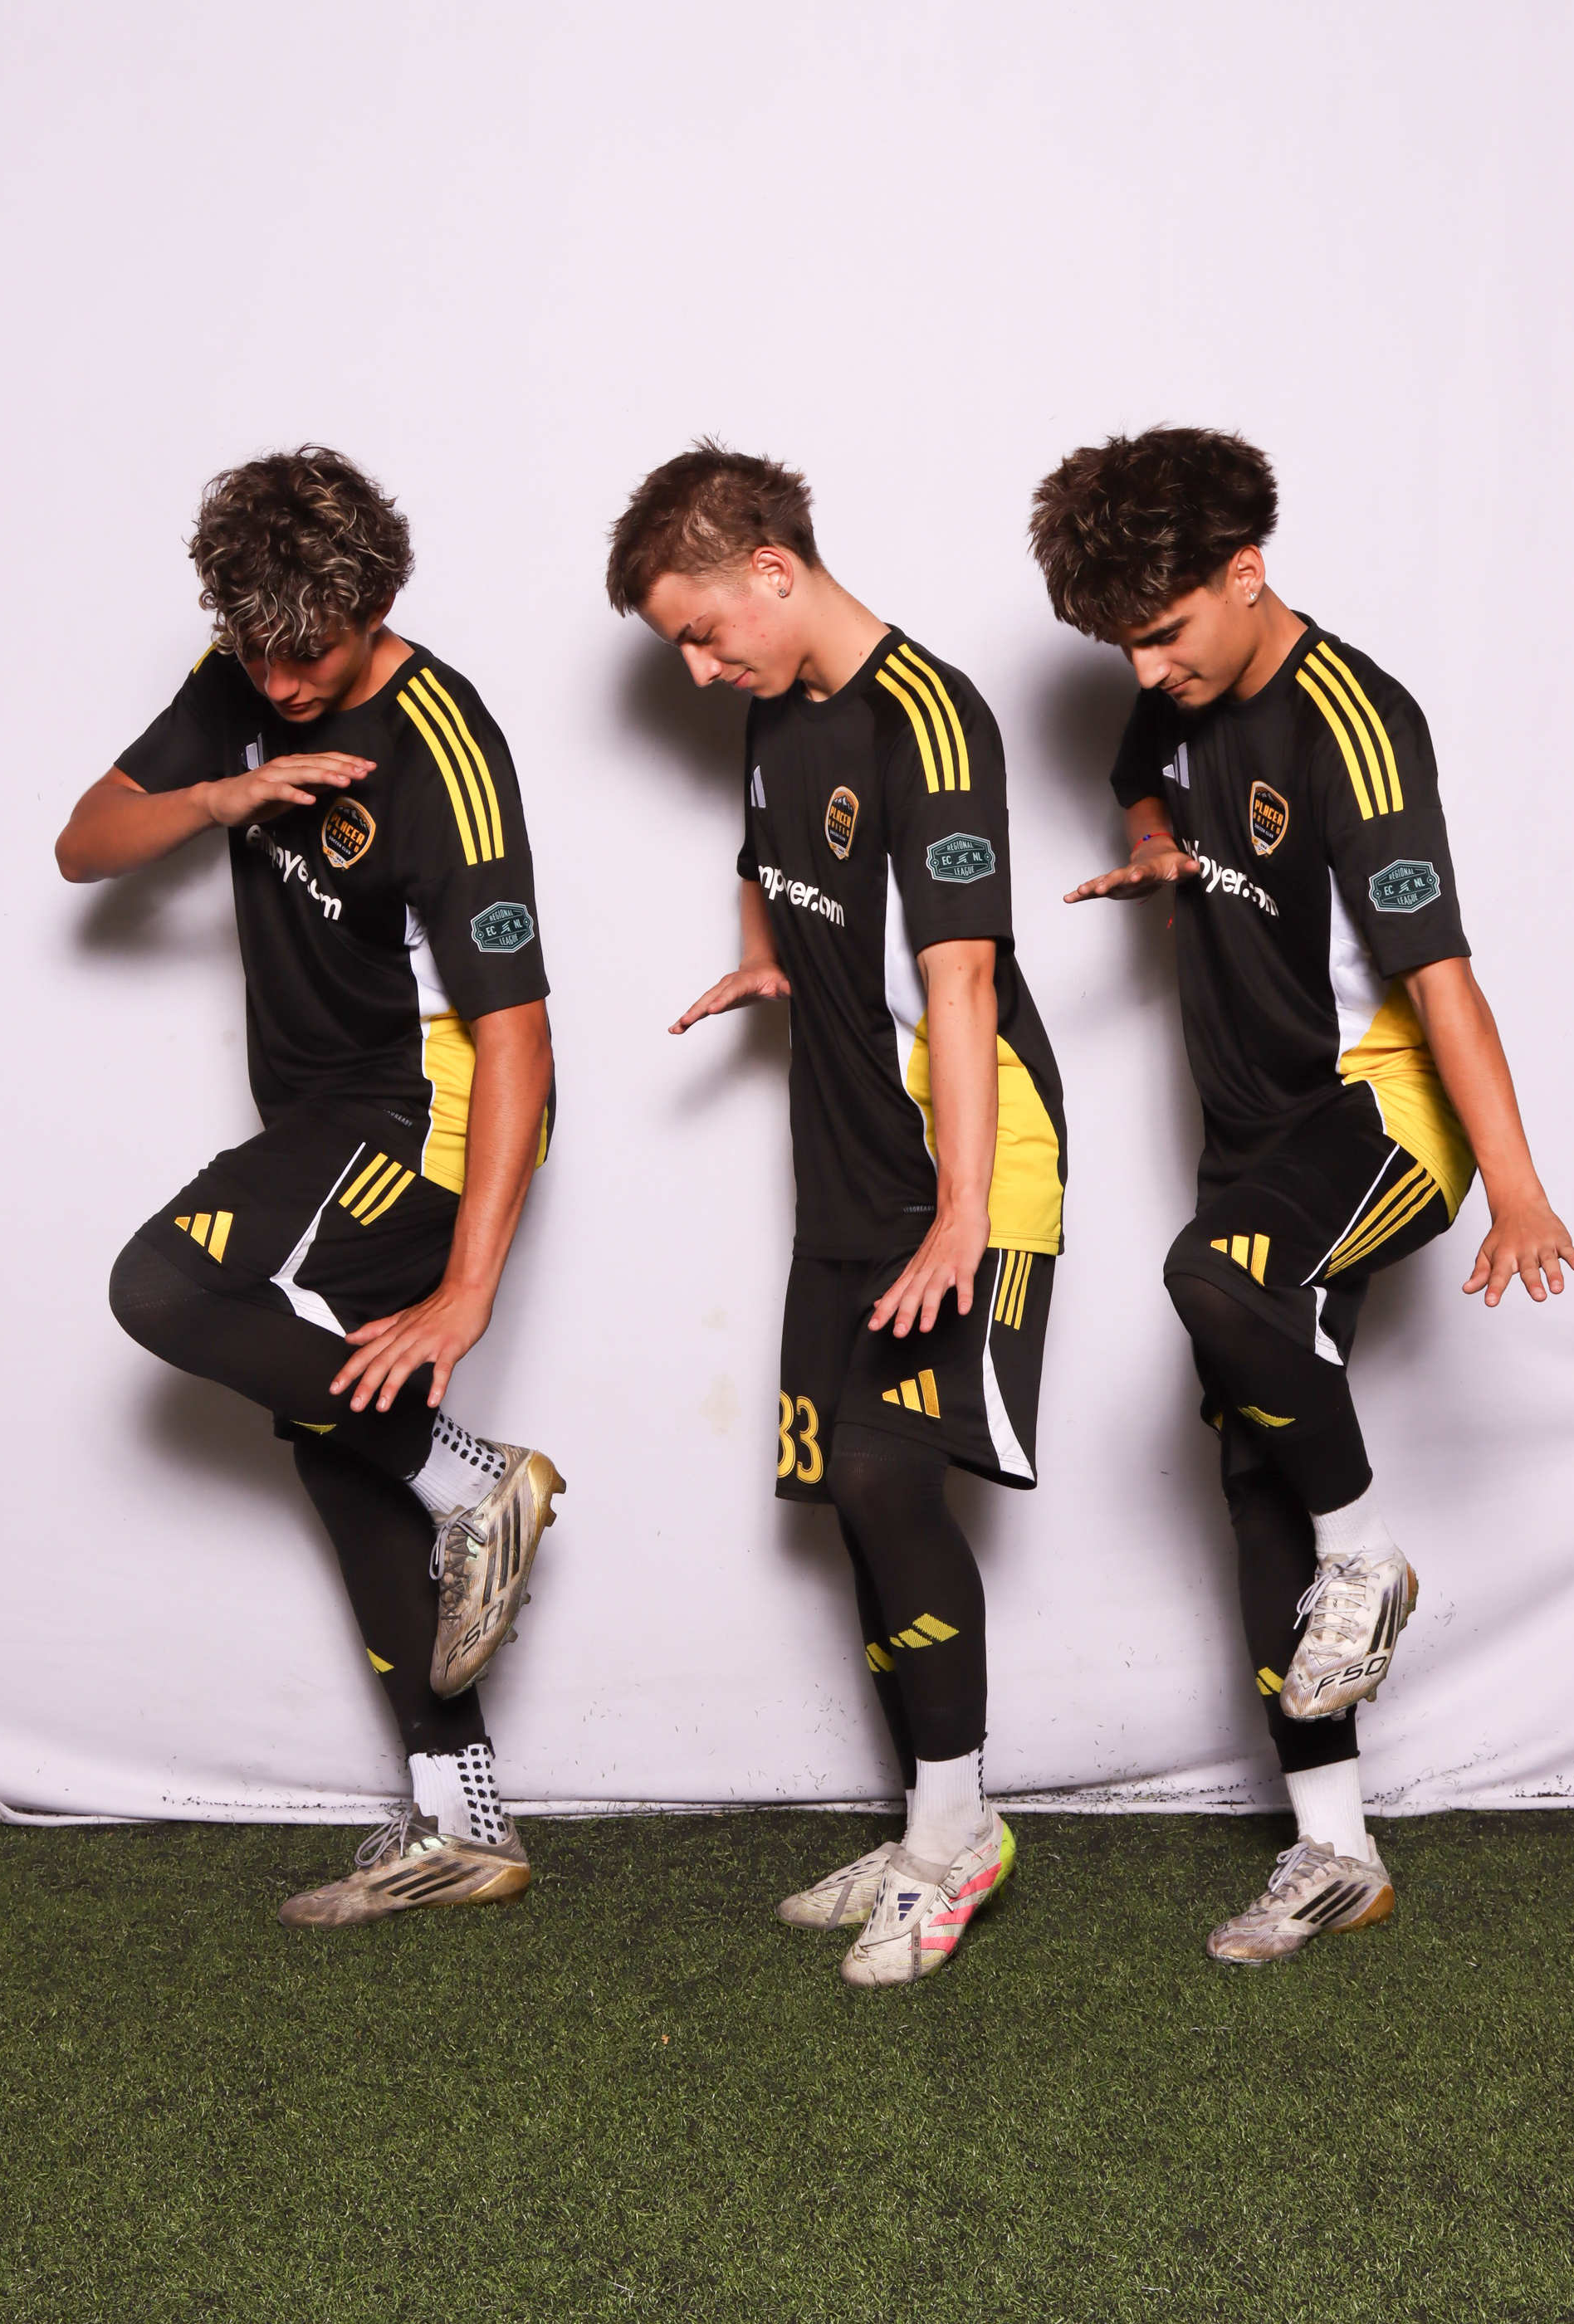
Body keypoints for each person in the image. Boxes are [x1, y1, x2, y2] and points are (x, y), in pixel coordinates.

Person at [1029, 426, 1574, 1963]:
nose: (1147, 671)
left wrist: (1519, 1189)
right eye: (1122, 646)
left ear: (1247, 571)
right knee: (1253, 1469)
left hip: (1379, 1113)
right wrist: (1157, 848)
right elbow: (1138, 772)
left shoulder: (1356, 721)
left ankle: (1370, 1555)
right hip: (1254, 1134)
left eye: (1164, 632)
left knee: (1212, 1280)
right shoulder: (1173, 695)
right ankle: (1335, 1853)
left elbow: (1441, 974)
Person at [56, 447, 565, 1927]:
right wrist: (225, 794)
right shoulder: (245, 676)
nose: (282, 685)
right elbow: (85, 845)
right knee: (340, 1442)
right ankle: (460, 1820)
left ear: (378, 606)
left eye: (312, 660)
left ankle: (477, 1479)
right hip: (326, 1122)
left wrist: (467, 1293)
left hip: (428, 1120)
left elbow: (520, 1034)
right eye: (258, 654)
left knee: (161, 1286)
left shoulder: (443, 745)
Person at [607, 442, 1066, 1987]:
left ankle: (956, 1842)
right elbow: (767, 852)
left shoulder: (933, 718)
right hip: (846, 1171)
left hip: (966, 1163)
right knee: (852, 1501)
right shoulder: (773, 709)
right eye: (675, 647)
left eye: (701, 631)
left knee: (887, 1476)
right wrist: (768, 953)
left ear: (773, 569)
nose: (696, 667)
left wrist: (961, 1218)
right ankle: (938, 1817)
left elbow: (964, 978)